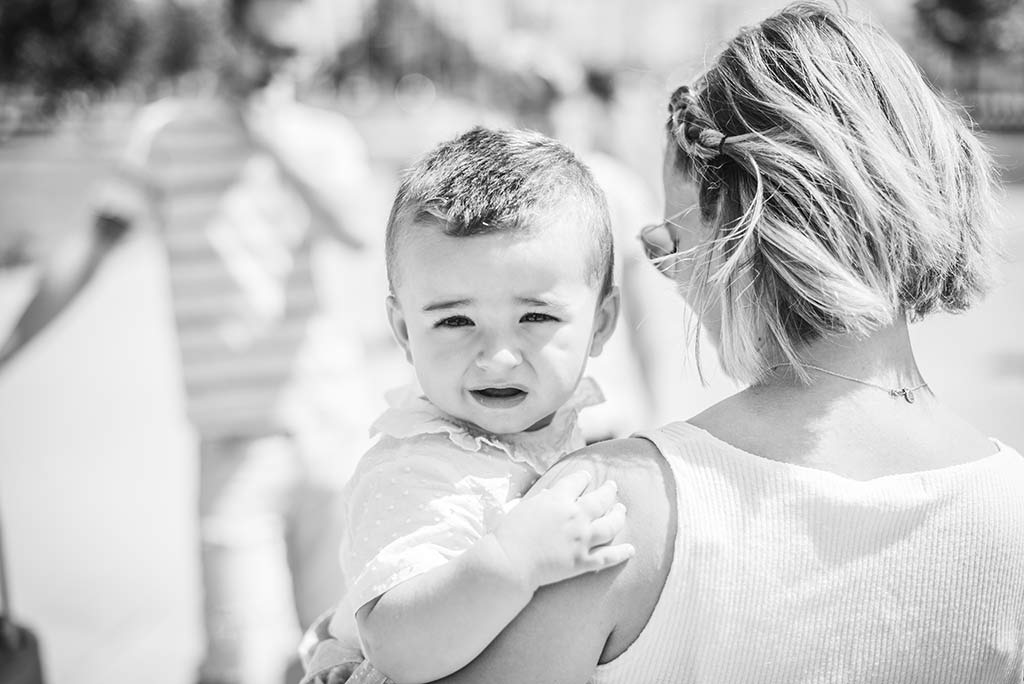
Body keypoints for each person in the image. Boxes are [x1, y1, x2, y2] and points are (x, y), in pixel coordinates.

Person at [403, 3, 1024, 682]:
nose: (668, 274)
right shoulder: (1009, 507)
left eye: (669, 242)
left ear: (741, 226)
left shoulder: (604, 512)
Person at [0, 1, 399, 683]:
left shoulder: (323, 137)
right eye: (266, 49)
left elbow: (359, 227)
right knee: (238, 660)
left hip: (333, 436)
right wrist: (8, 349)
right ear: (232, 37)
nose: (277, 70)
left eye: (293, 56)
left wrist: (271, 138)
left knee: (344, 658)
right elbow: (91, 248)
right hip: (233, 446)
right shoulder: (165, 137)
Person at [299, 127, 635, 684]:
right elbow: (398, 647)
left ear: (600, 323)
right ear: (404, 331)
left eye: (536, 317)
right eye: (455, 321)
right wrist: (513, 559)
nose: (497, 357)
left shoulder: (562, 429)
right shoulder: (419, 469)